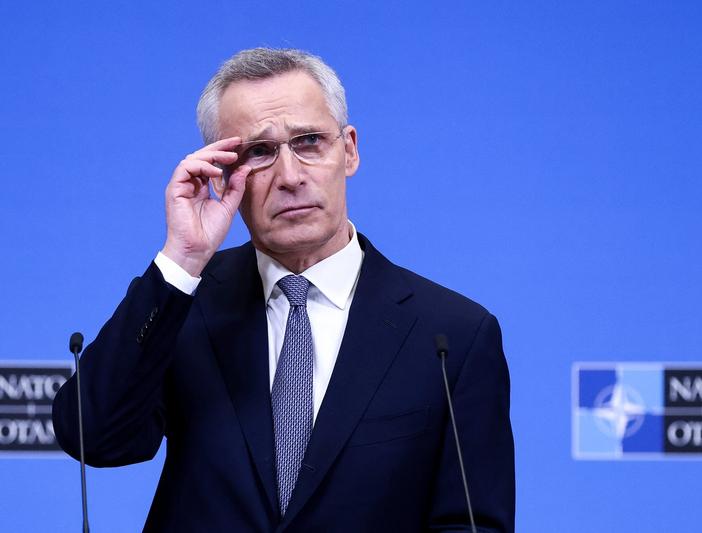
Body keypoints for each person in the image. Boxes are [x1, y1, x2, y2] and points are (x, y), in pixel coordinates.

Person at [53, 47, 515, 532]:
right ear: (221, 173)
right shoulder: (183, 303)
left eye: (309, 141)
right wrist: (182, 260)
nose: (290, 177)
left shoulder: (454, 335)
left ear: (349, 150)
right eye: (259, 152)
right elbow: (94, 438)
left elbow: (471, 525)